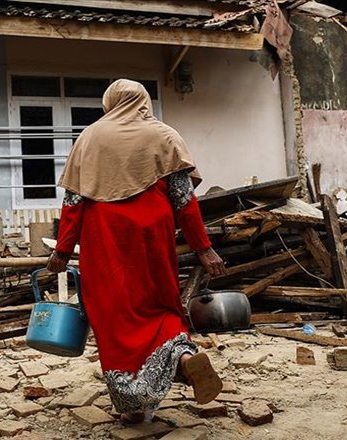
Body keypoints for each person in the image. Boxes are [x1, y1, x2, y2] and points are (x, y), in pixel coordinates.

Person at [46, 79, 227, 424]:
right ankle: (186, 359)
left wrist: (63, 252)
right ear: (144, 101)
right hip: (151, 237)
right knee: (159, 302)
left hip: (105, 239)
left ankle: (132, 405)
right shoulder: (165, 135)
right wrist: (204, 249)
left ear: (109, 102)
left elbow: (73, 203)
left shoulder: (89, 138)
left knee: (114, 315)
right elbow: (185, 202)